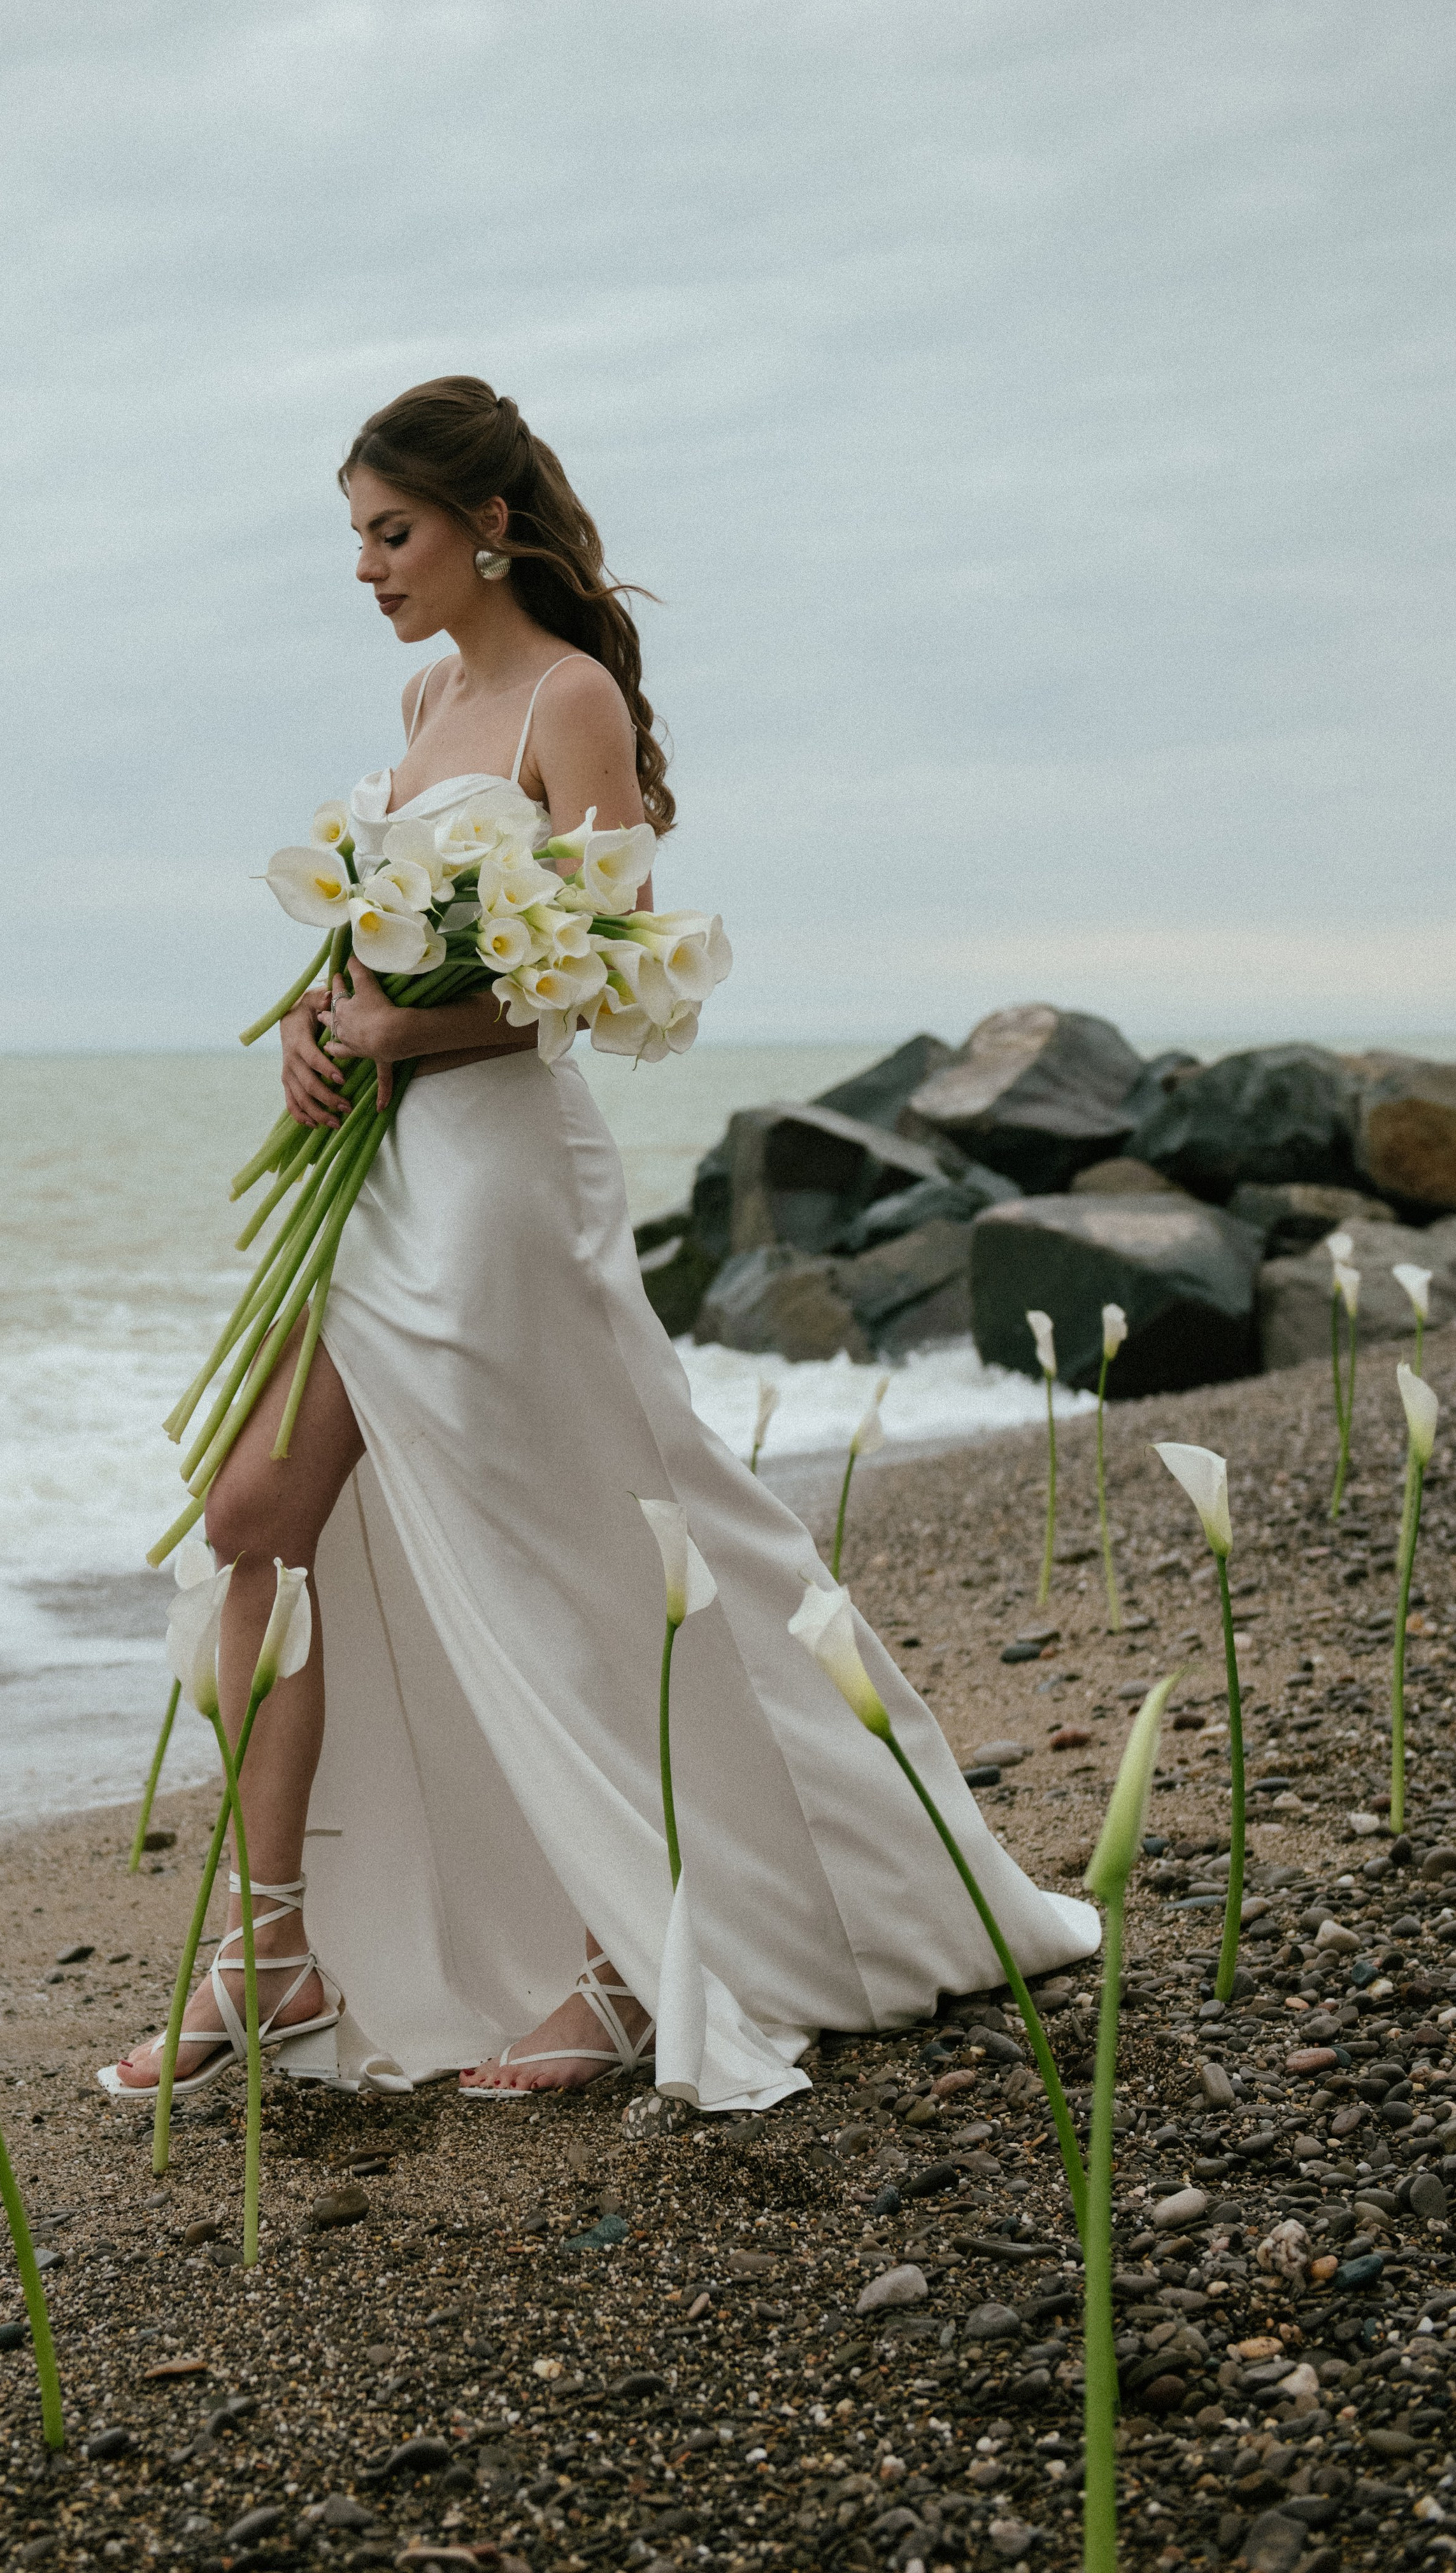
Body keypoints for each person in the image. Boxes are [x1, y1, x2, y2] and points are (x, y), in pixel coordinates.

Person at [101, 376, 1096, 2113]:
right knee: (253, 1516)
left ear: (484, 526)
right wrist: (321, 1023)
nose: (365, 567)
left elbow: (593, 980)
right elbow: (389, 951)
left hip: (496, 1194)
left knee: (556, 1557)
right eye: (351, 534)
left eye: (388, 531)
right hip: (386, 1166)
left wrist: (413, 1029)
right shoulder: (426, 697)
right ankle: (267, 1950)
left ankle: (626, 1960)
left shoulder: (571, 701)